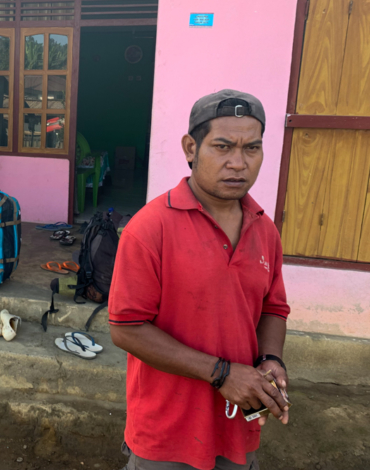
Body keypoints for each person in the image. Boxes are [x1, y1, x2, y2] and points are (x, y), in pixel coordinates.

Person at [109, 89, 291, 470]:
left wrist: (271, 358)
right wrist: (222, 373)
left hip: (237, 424)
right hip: (166, 433)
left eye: (251, 149)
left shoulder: (265, 230)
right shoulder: (150, 228)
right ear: (191, 147)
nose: (238, 164)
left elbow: (273, 307)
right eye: (222, 147)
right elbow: (126, 328)